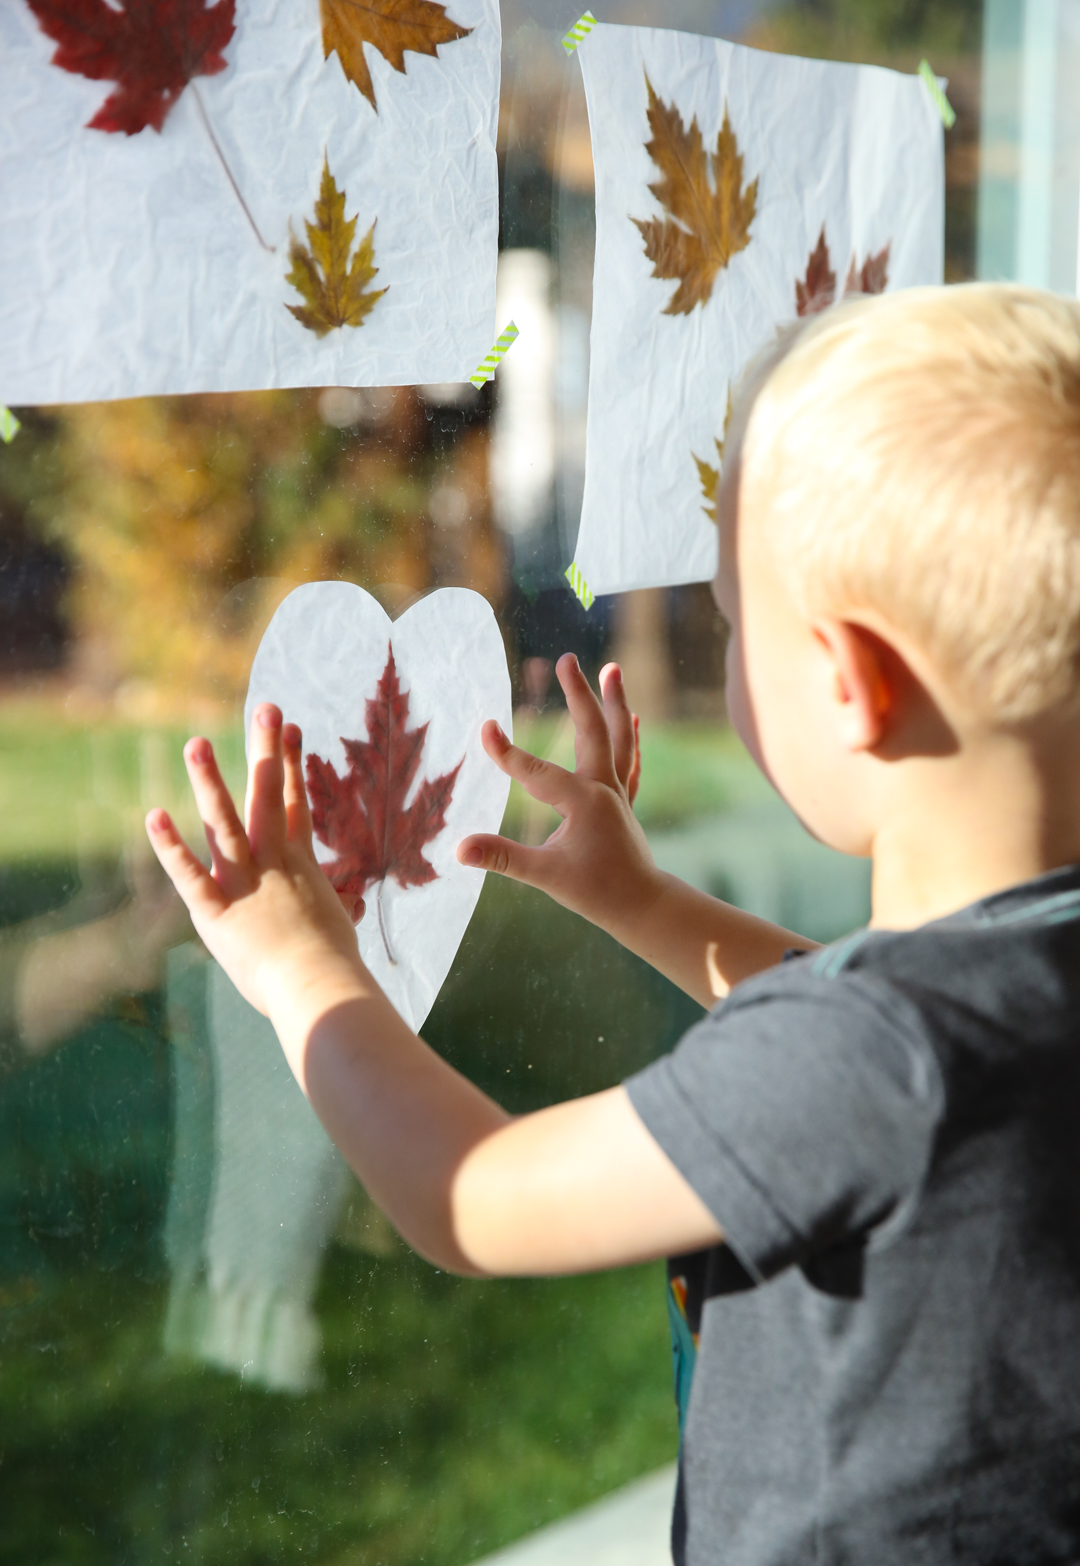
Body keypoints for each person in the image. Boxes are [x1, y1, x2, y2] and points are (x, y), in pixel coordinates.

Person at [145, 283, 1080, 1561]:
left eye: (740, 626)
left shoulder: (864, 1062)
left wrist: (306, 972)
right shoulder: (1013, 974)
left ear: (851, 683)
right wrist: (642, 901)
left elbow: (469, 1194)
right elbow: (899, 1027)